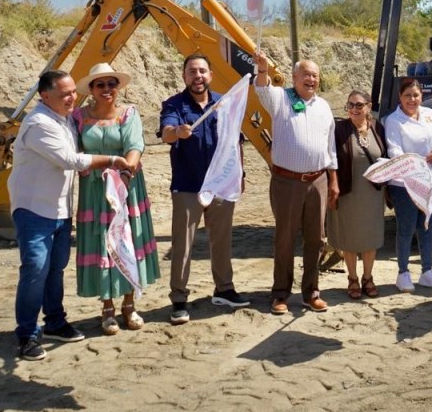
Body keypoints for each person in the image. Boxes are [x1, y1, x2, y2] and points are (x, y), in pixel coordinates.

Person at [9, 70, 128, 361]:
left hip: (60, 208)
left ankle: (55, 322)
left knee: (55, 268)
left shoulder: (64, 119)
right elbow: (69, 159)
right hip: (34, 208)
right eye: (64, 94)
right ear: (44, 96)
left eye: (73, 91)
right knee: (35, 269)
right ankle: (26, 335)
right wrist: (111, 159)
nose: (72, 97)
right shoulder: (39, 123)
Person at [160, 54, 250, 326]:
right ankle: (179, 299)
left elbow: (235, 141)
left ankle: (224, 289)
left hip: (221, 184)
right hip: (188, 186)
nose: (197, 76)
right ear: (184, 75)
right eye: (191, 71)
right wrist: (177, 132)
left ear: (210, 74)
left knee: (221, 241)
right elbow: (165, 133)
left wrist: (240, 174)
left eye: (202, 71)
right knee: (183, 245)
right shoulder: (174, 104)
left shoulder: (224, 102)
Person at [74, 63, 159, 335]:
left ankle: (129, 304)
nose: (107, 89)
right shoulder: (78, 117)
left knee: (127, 240)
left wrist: (124, 174)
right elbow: (73, 152)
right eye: (100, 85)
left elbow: (135, 147)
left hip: (125, 186)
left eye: (112, 84)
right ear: (91, 90)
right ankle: (107, 306)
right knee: (102, 243)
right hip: (95, 191)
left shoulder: (128, 114)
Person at [254, 52, 338, 314]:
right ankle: (280, 294)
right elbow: (262, 90)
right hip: (287, 182)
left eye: (314, 75)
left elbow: (330, 147)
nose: (311, 79)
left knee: (317, 239)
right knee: (285, 239)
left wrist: (333, 180)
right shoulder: (281, 98)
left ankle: (311, 292)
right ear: (294, 78)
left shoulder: (323, 106)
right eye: (306, 75)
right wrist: (263, 69)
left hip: (318, 181)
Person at [383, 77, 432, 292]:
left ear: (422, 96)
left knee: (427, 225)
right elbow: (394, 150)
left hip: (431, 178)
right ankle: (403, 273)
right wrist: (414, 163)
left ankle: (427, 271)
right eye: (407, 95)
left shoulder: (430, 114)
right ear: (400, 98)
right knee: (406, 228)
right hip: (405, 183)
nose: (412, 99)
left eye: (416, 95)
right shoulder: (394, 120)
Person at [330, 91, 387, 300]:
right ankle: (352, 278)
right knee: (350, 238)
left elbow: (386, 155)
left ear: (368, 106)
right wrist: (333, 185)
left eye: (359, 105)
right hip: (348, 191)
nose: (354, 109)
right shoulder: (339, 129)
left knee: (370, 237)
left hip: (372, 192)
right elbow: (332, 159)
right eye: (350, 105)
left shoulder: (377, 128)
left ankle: (368, 277)